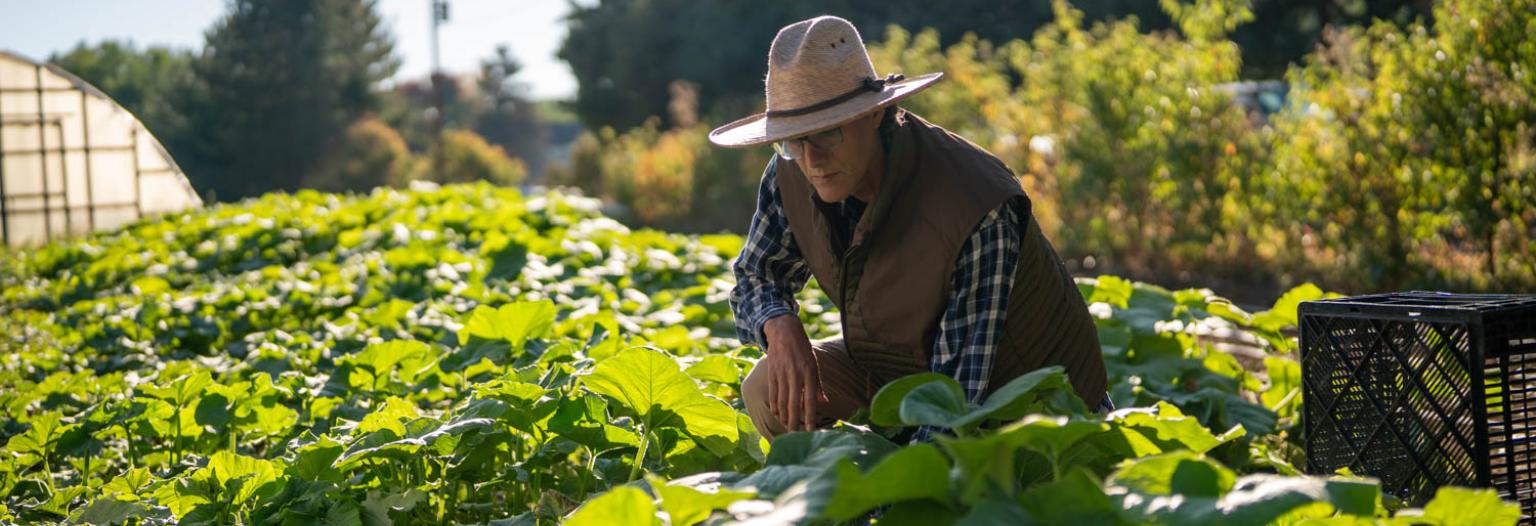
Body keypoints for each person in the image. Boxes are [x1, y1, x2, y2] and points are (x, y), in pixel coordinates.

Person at [709, 15, 1110, 441]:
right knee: (767, 384)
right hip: (901, 371)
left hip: (1027, 407)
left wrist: (890, 495)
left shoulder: (974, 204)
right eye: (793, 138)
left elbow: (956, 406)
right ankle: (836, 506)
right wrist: (780, 324)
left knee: (953, 472)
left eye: (827, 133)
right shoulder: (791, 168)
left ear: (876, 114)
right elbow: (756, 274)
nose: (812, 159)